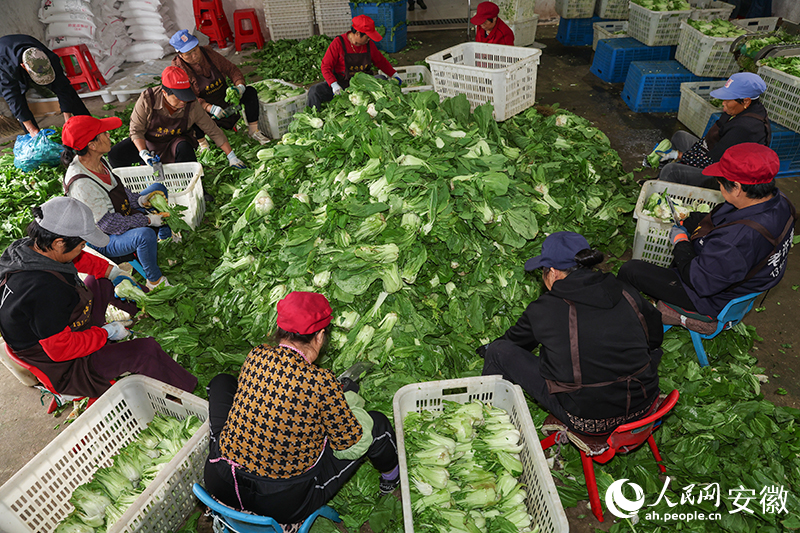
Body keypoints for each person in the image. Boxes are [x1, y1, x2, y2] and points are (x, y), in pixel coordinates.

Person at [204, 291, 399, 525]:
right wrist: (347, 401)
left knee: (222, 382)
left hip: (221, 481)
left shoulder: (256, 355)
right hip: (282, 502)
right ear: (319, 336)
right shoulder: (321, 382)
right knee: (376, 425)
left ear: (280, 331)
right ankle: (391, 479)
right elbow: (349, 444)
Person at [0, 197, 198, 397]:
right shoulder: (44, 291)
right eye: (82, 243)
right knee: (145, 351)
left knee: (103, 281)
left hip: (58, 329)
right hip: (64, 365)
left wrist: (111, 272)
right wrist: (106, 333)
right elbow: (60, 349)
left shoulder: (28, 249)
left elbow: (76, 259)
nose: (83, 248)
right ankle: (189, 397)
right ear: (59, 243)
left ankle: (150, 311)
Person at [479, 232, 662, 436]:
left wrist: (486, 348)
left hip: (592, 420)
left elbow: (515, 343)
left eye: (543, 271)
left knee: (497, 351)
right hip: (645, 403)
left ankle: (488, 426)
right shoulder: (626, 291)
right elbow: (655, 338)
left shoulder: (545, 309)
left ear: (554, 272)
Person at [621, 144, 797, 333]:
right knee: (689, 229)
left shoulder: (738, 240)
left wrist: (681, 243)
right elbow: (718, 217)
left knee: (631, 270)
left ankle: (628, 318)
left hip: (712, 297)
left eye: (720, 183)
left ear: (737, 188)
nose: (719, 187)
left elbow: (700, 282)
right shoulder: (780, 201)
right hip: (735, 274)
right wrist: (688, 219)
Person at [61, 115, 173, 290]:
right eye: (104, 134)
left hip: (120, 213)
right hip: (104, 239)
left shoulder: (99, 160)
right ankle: (154, 281)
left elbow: (119, 192)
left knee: (158, 188)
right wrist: (148, 220)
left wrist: (141, 200)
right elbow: (109, 225)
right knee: (144, 235)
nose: (109, 136)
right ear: (92, 145)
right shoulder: (81, 183)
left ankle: (165, 239)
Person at [107, 66, 246, 170]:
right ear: (164, 93)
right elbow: (136, 130)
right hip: (149, 142)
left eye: (185, 96)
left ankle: (198, 189)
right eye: (178, 98)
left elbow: (211, 129)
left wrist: (231, 156)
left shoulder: (192, 104)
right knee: (115, 154)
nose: (183, 102)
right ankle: (132, 188)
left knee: (185, 148)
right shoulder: (147, 99)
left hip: (174, 142)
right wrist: (143, 153)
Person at [657, 72, 770, 189]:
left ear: (746, 101)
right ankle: (662, 179)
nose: (723, 103)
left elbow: (712, 162)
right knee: (680, 137)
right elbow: (708, 142)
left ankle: (665, 186)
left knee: (671, 171)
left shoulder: (746, 127)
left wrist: (680, 155)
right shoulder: (738, 110)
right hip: (715, 154)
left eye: (728, 100)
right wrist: (690, 154)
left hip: (727, 178)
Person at [170, 29, 270, 145]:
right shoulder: (178, 70)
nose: (194, 55)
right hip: (205, 111)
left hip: (224, 101)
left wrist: (239, 86)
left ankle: (253, 131)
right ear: (180, 55)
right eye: (188, 54)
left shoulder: (209, 54)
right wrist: (209, 108)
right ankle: (203, 144)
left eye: (195, 49)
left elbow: (231, 69)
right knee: (188, 111)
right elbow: (188, 97)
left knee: (250, 92)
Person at [0, 34, 90, 137]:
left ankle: (88, 123)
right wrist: (32, 129)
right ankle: (33, 136)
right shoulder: (5, 68)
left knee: (65, 89)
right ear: (24, 66)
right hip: (5, 60)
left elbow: (63, 87)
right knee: (19, 99)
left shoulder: (49, 58)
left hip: (24, 50)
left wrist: (68, 120)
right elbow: (14, 99)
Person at [307, 15, 401, 111]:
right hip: (342, 87)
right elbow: (325, 66)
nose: (369, 40)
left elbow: (381, 62)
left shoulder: (369, 45)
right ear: (357, 33)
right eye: (367, 37)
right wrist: (334, 85)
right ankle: (312, 118)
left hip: (364, 87)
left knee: (382, 79)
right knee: (315, 91)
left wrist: (394, 74)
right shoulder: (338, 43)